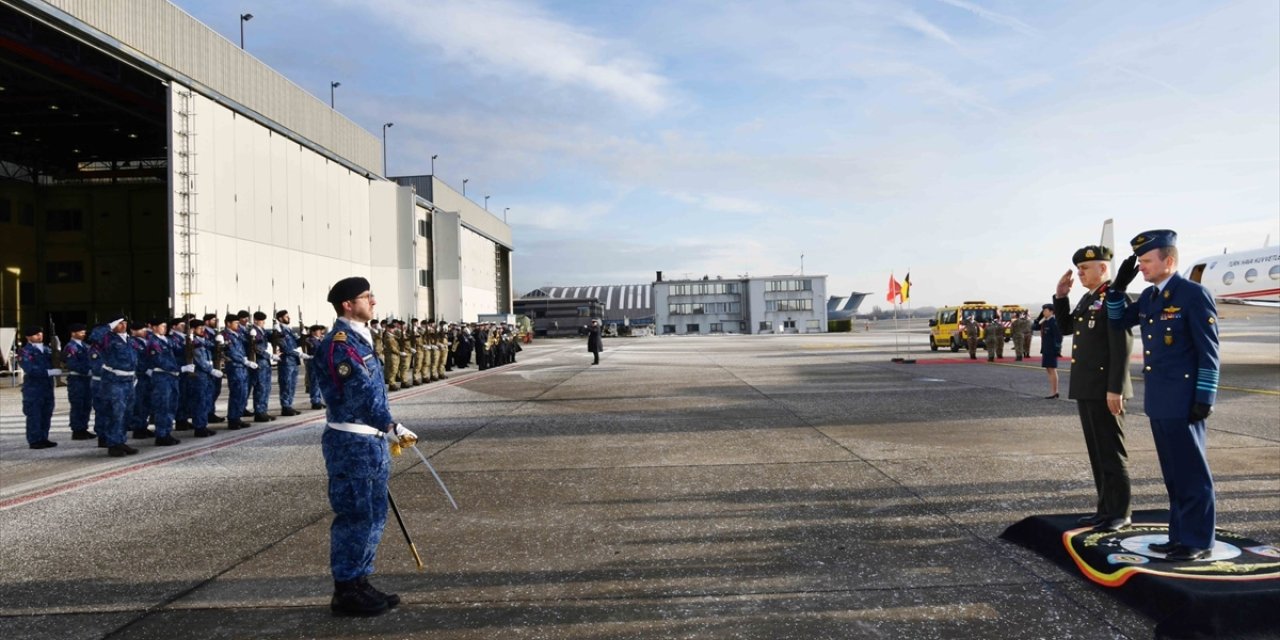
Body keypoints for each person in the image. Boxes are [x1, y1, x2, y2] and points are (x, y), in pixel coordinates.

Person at [1106, 230, 1220, 562]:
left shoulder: (1193, 294)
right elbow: (1117, 322)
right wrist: (1117, 288)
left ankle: (1198, 540)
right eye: (1138, 262)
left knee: (1192, 474)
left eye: (1145, 261)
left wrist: (1205, 397)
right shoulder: (1150, 297)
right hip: (1160, 400)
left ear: (1168, 261)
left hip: (1185, 400)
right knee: (1174, 474)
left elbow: (1209, 351)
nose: (1140, 266)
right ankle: (1179, 536)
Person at [316, 277, 415, 616]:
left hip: (369, 441)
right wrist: (390, 425)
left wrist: (385, 427)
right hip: (351, 442)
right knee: (355, 516)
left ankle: (360, 580)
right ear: (347, 304)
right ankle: (345, 590)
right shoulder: (340, 345)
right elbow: (360, 393)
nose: (373, 301)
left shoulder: (361, 339)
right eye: (366, 296)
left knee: (373, 515)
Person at [1055, 245, 1134, 532]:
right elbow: (1065, 328)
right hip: (1087, 386)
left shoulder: (1115, 298)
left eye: (1084, 268)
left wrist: (1116, 388)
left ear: (1103, 268)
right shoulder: (1089, 299)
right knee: (1098, 453)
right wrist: (1061, 296)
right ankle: (1105, 510)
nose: (1079, 273)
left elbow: (1121, 345)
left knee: (1112, 452)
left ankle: (1121, 512)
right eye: (1078, 269)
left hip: (1106, 389)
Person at [17, 326, 61, 449]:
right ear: (28, 337)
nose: (40, 336)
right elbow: (29, 368)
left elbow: (57, 360)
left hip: (47, 387)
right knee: (34, 414)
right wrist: (48, 372)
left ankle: (44, 437)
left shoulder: (47, 349)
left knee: (46, 413)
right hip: (33, 389)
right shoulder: (24, 351)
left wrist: (57, 348)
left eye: (40, 334)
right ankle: (35, 440)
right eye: (36, 334)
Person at [63, 322, 96, 440]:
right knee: (78, 405)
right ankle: (77, 430)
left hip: (87, 380)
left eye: (84, 332)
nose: (83, 334)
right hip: (77, 380)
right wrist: (87, 371)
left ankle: (83, 428)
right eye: (81, 332)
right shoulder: (70, 347)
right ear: (73, 333)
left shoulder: (85, 346)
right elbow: (72, 364)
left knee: (86, 404)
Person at [273, 310, 303, 416]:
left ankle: (289, 405)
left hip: (293, 361)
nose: (288, 318)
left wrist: (303, 336)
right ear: (280, 318)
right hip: (286, 362)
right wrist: (298, 354)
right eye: (286, 317)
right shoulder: (279, 330)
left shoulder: (288, 330)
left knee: (292, 384)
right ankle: (285, 406)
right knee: (286, 384)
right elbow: (285, 347)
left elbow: (297, 343)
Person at [1032, 303, 1062, 398]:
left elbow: (1058, 336)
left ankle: (1055, 392)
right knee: (1049, 369)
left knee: (1052, 369)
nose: (1044, 312)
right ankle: (1054, 391)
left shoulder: (1054, 322)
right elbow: (1034, 327)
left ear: (1051, 311)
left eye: (1045, 310)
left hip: (1052, 349)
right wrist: (1038, 318)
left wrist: (1057, 349)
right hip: (1046, 348)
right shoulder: (1045, 321)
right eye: (1043, 311)